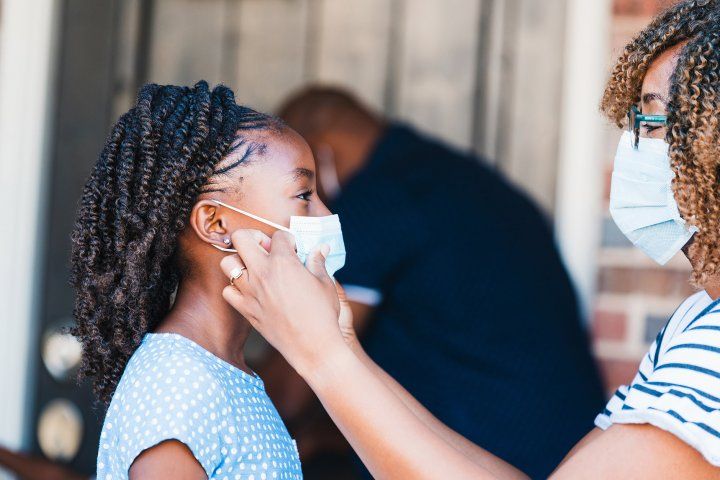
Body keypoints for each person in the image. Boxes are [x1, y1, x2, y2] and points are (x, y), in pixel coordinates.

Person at [218, 1, 720, 478]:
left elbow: (286, 397)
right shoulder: (696, 317)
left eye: (650, 120)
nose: (630, 145)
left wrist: (323, 358)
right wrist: (340, 351)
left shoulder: (392, 196)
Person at [263, 86, 604, 478]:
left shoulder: (380, 196)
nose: (311, 206)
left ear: (318, 153)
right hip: (567, 443)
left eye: (301, 188)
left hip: (489, 449)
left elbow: (295, 380)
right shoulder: (459, 179)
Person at [71, 81, 342, 479]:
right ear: (215, 224)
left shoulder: (228, 371)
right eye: (303, 194)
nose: (322, 215)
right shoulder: (176, 384)